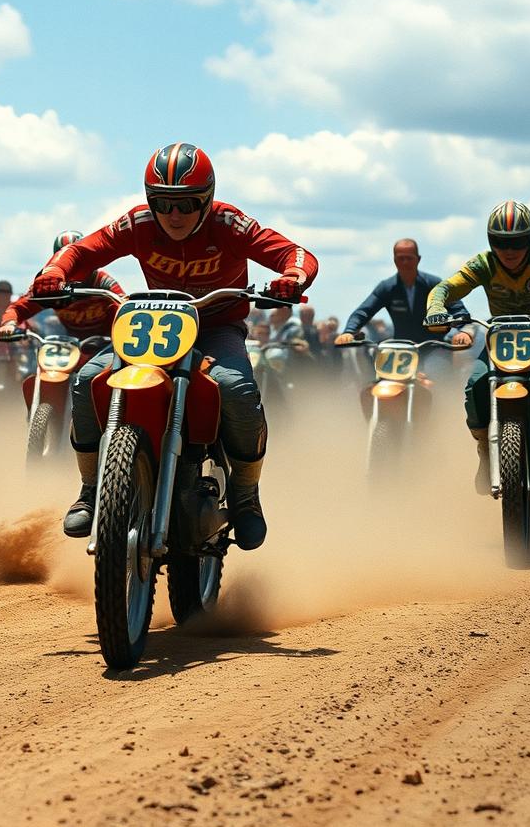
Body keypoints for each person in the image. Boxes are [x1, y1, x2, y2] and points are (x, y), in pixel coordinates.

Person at [31, 142, 317, 549]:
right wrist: (56, 269)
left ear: (208, 198)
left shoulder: (230, 224)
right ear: (151, 200)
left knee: (237, 389)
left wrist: (293, 275)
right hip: (153, 327)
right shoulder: (138, 223)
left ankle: (245, 494)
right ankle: (92, 489)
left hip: (217, 326)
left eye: (188, 203)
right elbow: (82, 250)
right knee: (86, 380)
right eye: (163, 203)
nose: (175, 214)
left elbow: (295, 253)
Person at [425, 201, 530, 496]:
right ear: (492, 241)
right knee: (475, 385)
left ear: (529, 239)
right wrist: (435, 307)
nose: (510, 250)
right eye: (502, 242)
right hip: (498, 340)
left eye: (517, 242)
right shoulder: (483, 264)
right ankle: (484, 450)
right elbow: (445, 288)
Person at [336, 239, 471, 349]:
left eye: (409, 258)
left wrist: (464, 331)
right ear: (394, 260)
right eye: (401, 258)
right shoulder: (387, 287)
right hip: (401, 350)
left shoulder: (434, 285)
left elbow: (459, 311)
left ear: (418, 259)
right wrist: (349, 331)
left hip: (434, 349)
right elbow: (364, 312)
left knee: (436, 369)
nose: (405, 262)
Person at [0, 232, 125, 342]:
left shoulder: (103, 282)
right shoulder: (49, 286)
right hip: (71, 345)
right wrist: (9, 324)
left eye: (78, 259)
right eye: (68, 261)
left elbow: (124, 306)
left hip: (108, 343)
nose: (73, 268)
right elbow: (19, 307)